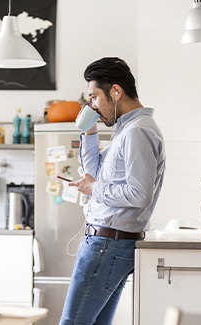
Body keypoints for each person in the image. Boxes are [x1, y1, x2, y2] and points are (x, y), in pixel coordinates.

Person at [59, 57, 166, 325]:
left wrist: (94, 189)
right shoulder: (126, 129)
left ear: (116, 92)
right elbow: (93, 173)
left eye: (94, 97)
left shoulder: (137, 132)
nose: (92, 105)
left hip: (107, 244)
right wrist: (89, 132)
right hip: (110, 243)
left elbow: (140, 194)